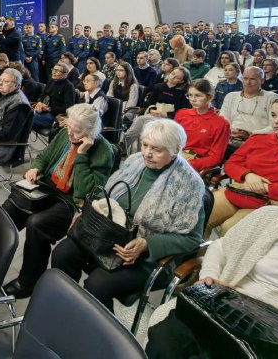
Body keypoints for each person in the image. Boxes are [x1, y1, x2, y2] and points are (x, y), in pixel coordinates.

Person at [51, 119, 206, 312]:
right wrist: (86, 213)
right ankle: (65, 307)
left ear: (175, 150)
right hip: (107, 236)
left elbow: (192, 239)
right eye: (145, 145)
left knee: (97, 285)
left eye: (157, 149)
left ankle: (98, 328)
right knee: (62, 254)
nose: (147, 153)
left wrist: (146, 244)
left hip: (144, 257)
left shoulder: (189, 185)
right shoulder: (135, 162)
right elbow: (107, 196)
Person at [146, 206, 278, 359]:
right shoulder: (270, 217)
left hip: (277, 328)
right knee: (165, 339)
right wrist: (209, 275)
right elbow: (220, 246)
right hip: (229, 299)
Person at [2, 104, 113, 299]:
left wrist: (81, 155)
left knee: (37, 224)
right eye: (69, 127)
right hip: (48, 186)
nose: (70, 133)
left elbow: (86, 193)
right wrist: (36, 168)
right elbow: (44, 157)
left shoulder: (103, 150)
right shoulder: (64, 134)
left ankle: (28, 281)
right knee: (9, 210)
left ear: (91, 132)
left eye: (76, 131)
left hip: (71, 201)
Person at [206, 95, 278, 236]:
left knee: (230, 230)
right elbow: (231, 163)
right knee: (199, 216)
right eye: (273, 115)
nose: (276, 121)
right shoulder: (258, 139)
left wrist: (265, 187)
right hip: (242, 190)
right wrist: (248, 175)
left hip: (275, 201)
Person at [123, 66, 191, 155]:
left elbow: (183, 111)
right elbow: (150, 103)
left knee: (144, 122)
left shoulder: (182, 93)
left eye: (177, 77)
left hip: (169, 119)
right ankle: (125, 144)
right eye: (173, 74)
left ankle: (130, 147)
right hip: (155, 114)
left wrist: (167, 114)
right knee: (142, 122)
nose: (173, 77)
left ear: (181, 81)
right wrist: (152, 110)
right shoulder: (158, 86)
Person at [175, 79, 230, 172]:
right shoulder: (182, 114)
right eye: (190, 95)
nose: (193, 99)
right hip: (175, 155)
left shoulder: (221, 124)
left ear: (210, 97)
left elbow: (215, 158)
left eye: (198, 95)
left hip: (195, 162)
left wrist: (187, 164)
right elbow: (172, 140)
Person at [219, 66, 278, 149]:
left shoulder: (272, 98)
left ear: (262, 81)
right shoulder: (231, 96)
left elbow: (274, 126)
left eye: (252, 79)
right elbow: (223, 119)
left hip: (258, 143)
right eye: (245, 78)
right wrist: (231, 131)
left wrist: (250, 134)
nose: (248, 82)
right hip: (229, 141)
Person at [32, 62, 76, 129]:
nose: (54, 72)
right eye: (53, 69)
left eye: (57, 71)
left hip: (55, 115)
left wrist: (49, 109)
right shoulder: (52, 80)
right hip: (43, 110)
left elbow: (69, 107)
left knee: (28, 118)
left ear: (65, 74)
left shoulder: (69, 86)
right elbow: (43, 94)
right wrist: (39, 102)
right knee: (25, 114)